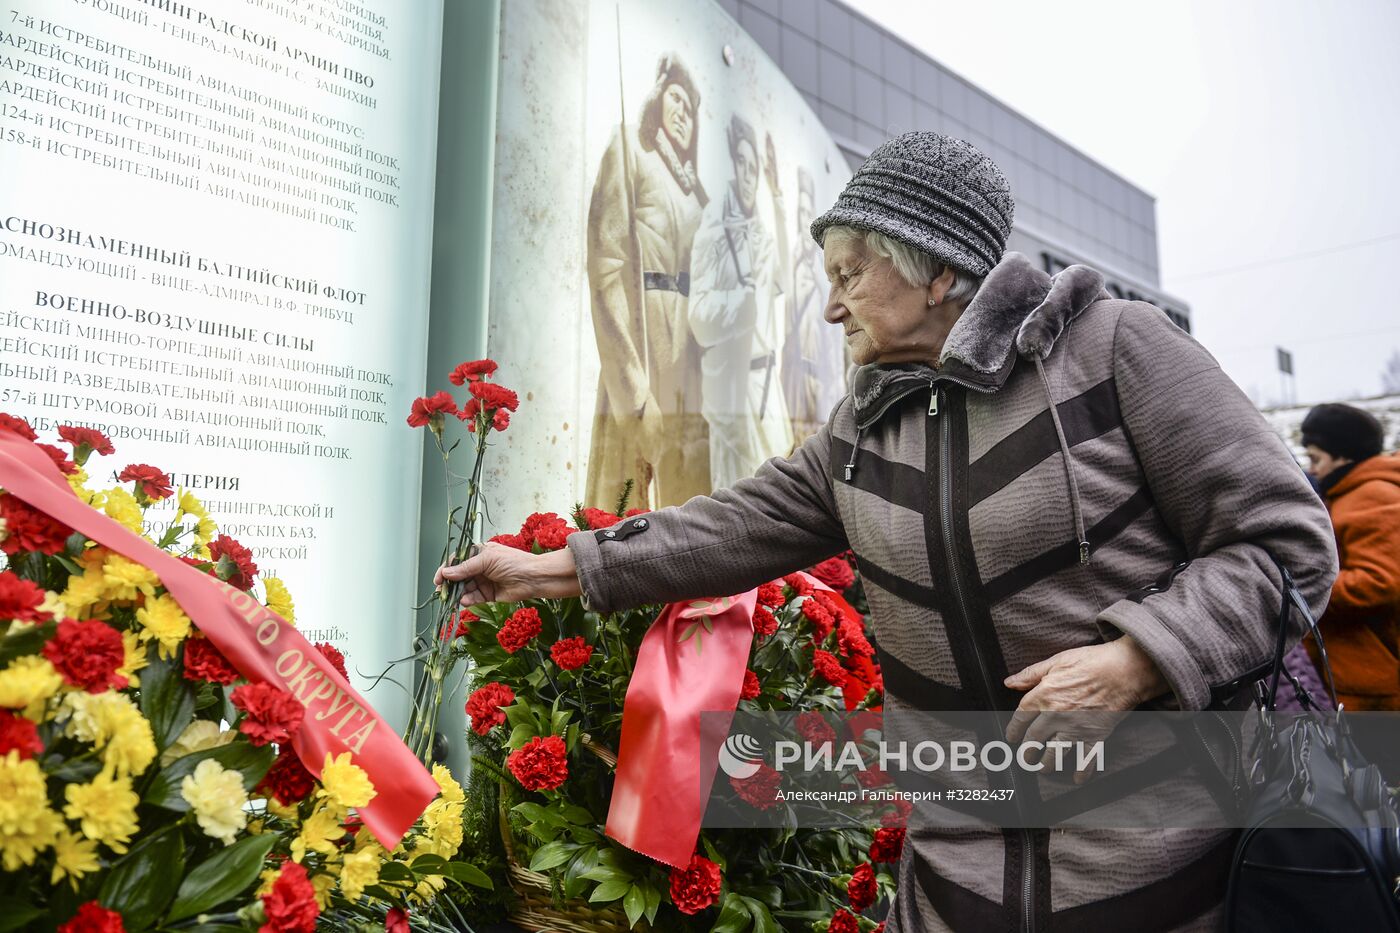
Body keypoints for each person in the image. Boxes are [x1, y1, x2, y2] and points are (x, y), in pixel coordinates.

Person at [441, 133, 1336, 931]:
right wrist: (547, 568)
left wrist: (1137, 660)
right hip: (953, 884)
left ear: (937, 271)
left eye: (847, 276)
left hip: (1163, 875)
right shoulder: (862, 428)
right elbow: (734, 524)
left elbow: (1287, 544)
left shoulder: (1114, 348)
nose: (831, 310)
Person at [584, 54, 711, 511]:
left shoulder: (695, 191)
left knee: (687, 518)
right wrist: (633, 392)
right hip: (641, 351)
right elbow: (605, 267)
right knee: (626, 509)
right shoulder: (631, 149)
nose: (684, 113)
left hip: (687, 369)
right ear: (658, 99)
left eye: (693, 108)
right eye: (676, 97)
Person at [688, 114, 793, 489]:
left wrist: (779, 198)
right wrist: (739, 302)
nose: (748, 175)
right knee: (734, 513)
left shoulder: (764, 237)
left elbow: (785, 281)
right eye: (742, 164)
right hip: (733, 392)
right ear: (733, 164)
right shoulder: (714, 228)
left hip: (768, 392)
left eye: (755, 168)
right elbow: (698, 316)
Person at [1300, 403, 1400, 715]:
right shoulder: (1346, 493)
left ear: (1343, 456)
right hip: (1363, 673)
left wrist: (1305, 590)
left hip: (1378, 678)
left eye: (1316, 458)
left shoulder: (1373, 496)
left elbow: (1380, 582)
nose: (1312, 468)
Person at [781, 167, 846, 443]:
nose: (832, 311)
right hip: (798, 374)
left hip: (819, 379)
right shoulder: (793, 269)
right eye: (800, 213)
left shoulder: (818, 276)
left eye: (847, 277)